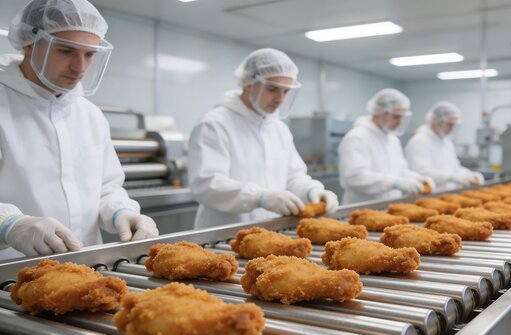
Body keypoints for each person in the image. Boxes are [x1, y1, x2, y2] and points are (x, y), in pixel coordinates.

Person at [0, 0, 158, 260]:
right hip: (10, 275)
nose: (80, 67)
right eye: (65, 51)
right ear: (30, 43)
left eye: (89, 54)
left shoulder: (90, 115)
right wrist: (8, 224)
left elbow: (106, 186)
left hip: (86, 268)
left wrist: (122, 211)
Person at [188, 48, 339, 229]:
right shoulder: (215, 124)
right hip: (222, 237)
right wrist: (258, 197)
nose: (280, 99)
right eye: (273, 89)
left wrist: (312, 191)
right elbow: (207, 184)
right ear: (248, 84)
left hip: (269, 232)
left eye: (286, 91)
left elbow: (293, 178)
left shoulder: (278, 129)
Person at [338, 89, 435, 205]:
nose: (399, 122)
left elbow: (400, 169)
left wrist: (417, 178)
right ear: (379, 112)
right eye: (395, 116)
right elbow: (355, 177)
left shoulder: (392, 139)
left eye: (402, 117)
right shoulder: (357, 137)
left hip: (390, 205)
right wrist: (394, 183)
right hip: (362, 207)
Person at [405, 101, 484, 190]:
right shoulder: (419, 141)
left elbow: (454, 167)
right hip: (428, 194)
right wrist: (451, 177)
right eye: (449, 124)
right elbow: (422, 172)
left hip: (445, 193)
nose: (452, 129)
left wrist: (468, 174)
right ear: (435, 122)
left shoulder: (446, 142)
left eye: (454, 125)